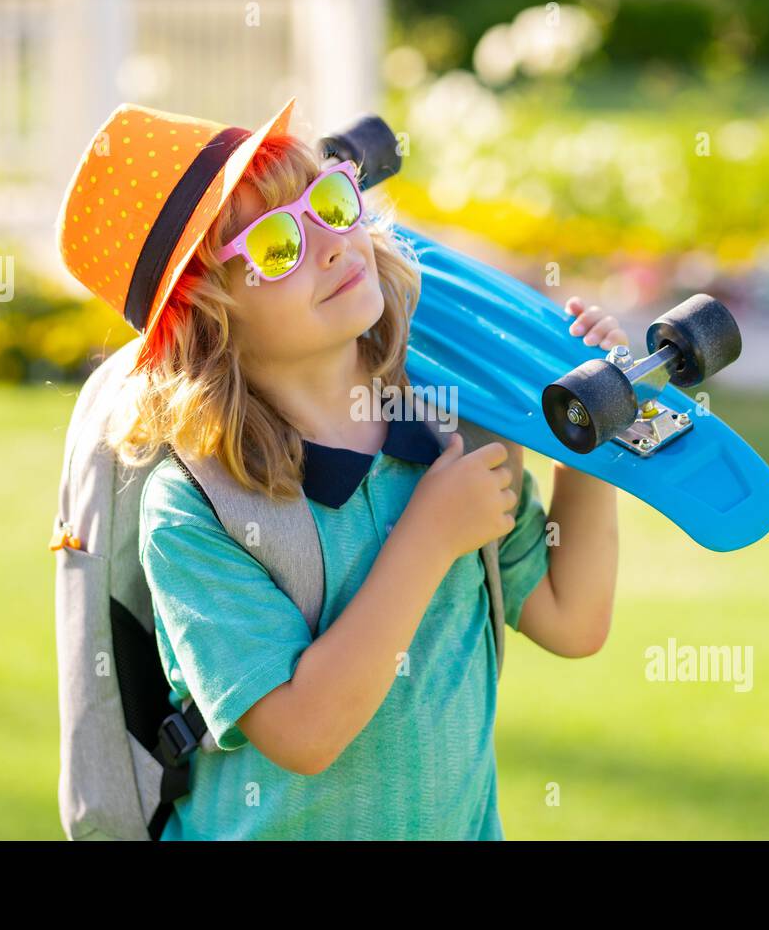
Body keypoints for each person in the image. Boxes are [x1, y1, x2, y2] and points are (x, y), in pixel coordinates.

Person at [59, 96, 622, 839]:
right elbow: (304, 733)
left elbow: (570, 618)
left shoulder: (445, 431)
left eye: (329, 203)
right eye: (276, 248)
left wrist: (589, 428)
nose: (327, 244)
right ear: (207, 317)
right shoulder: (195, 507)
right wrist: (426, 539)